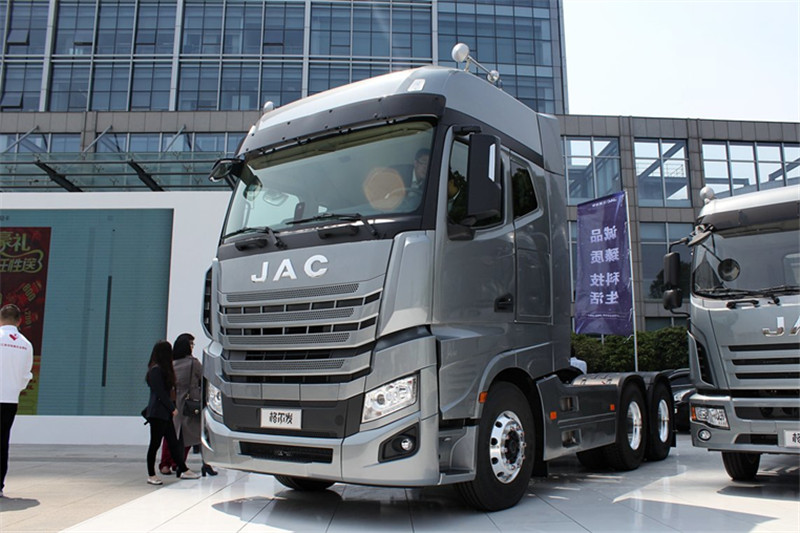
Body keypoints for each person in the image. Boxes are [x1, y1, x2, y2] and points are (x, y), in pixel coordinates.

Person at [159, 333, 217, 477]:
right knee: (193, 434)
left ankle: (166, 464)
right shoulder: (193, 363)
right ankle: (188, 464)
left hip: (173, 402)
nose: (192, 347)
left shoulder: (171, 363)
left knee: (171, 434)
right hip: (189, 403)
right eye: (191, 344)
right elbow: (205, 377)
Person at [144, 340, 200, 484]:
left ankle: (183, 469)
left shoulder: (163, 370)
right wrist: (172, 408)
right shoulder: (156, 370)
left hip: (165, 414)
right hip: (158, 413)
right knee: (155, 444)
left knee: (173, 442)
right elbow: (160, 393)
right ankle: (151, 475)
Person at [0, 304, 33, 498]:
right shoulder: (26, 344)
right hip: (10, 399)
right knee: (3, 441)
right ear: (19, 321)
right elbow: (26, 376)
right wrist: (13, 388)